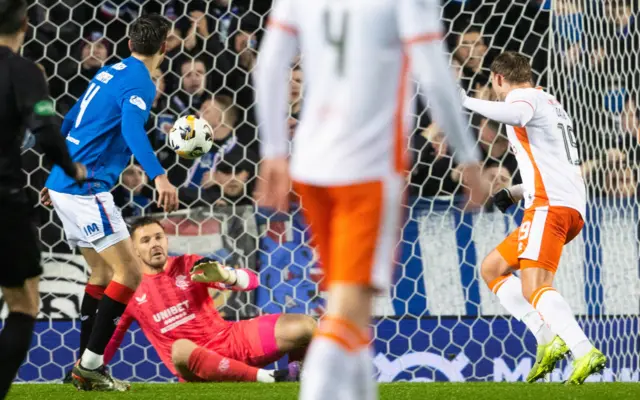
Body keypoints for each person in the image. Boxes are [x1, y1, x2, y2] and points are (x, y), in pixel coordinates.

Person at [255, 1, 488, 399]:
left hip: (311, 165)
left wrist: (274, 150)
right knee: (349, 309)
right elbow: (434, 74)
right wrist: (468, 157)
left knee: (352, 310)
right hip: (368, 167)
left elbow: (270, 63)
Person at [41, 14, 179, 391]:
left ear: (129, 43)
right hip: (86, 189)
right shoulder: (141, 83)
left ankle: (82, 369)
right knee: (131, 273)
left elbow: (69, 118)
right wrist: (160, 175)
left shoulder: (111, 71)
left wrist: (57, 172)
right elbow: (133, 129)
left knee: (102, 275)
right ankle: (91, 365)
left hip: (64, 183)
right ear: (164, 48)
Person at [460, 51, 606, 385]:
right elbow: (552, 164)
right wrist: (514, 191)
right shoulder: (551, 104)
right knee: (493, 268)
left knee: (534, 285)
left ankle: (583, 350)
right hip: (564, 203)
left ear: (498, 79)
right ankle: (545, 337)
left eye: (495, 86)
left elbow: (514, 112)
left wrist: (464, 99)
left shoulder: (524, 98)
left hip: (549, 205)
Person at [103, 217, 315, 382]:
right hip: (195, 365)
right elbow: (110, 337)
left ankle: (298, 380)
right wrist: (87, 366)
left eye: (158, 237)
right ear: (135, 250)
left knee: (306, 326)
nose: (154, 244)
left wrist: (226, 276)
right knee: (180, 349)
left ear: (166, 240)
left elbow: (252, 281)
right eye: (146, 240)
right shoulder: (128, 289)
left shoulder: (190, 264)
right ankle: (268, 378)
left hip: (231, 340)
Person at [0, 1, 86, 398]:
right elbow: (46, 131)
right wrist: (72, 170)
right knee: (23, 304)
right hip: (5, 200)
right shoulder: (23, 71)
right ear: (25, 24)